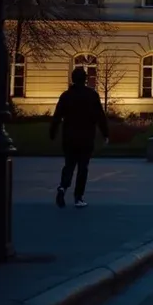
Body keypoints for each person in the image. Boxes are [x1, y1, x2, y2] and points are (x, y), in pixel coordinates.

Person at [49, 67, 109, 208]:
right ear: (85, 79)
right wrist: (105, 133)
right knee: (83, 167)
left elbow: (57, 116)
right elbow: (100, 116)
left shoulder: (66, 96)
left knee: (69, 165)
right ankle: (78, 197)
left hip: (69, 136)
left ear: (72, 79)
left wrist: (53, 132)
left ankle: (63, 187)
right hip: (86, 137)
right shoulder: (92, 95)